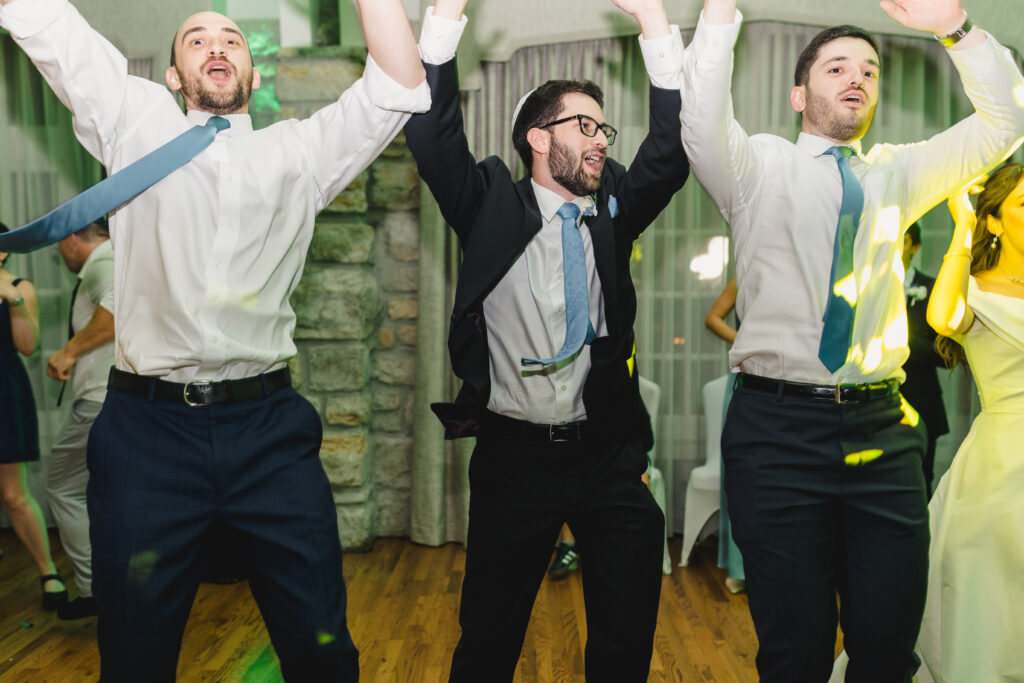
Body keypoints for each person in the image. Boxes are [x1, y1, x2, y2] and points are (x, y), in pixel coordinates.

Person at [0, 0, 428, 680]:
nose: (215, 45)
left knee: (324, 651)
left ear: (252, 76)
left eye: (231, 38)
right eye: (195, 39)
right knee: (135, 654)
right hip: (147, 435)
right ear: (174, 75)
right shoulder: (133, 120)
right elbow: (49, 24)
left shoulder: (299, 151)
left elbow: (399, 85)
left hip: (269, 434)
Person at [680, 0, 1024, 679]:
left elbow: (1006, 121)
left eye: (869, 69)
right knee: (795, 650)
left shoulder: (899, 172)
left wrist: (954, 27)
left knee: (887, 647)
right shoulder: (755, 169)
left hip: (885, 428)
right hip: (776, 430)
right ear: (799, 94)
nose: (857, 78)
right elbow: (698, 115)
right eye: (836, 67)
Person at [405, 0, 688, 679]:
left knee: (624, 641)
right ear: (538, 137)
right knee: (489, 640)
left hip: (607, 452)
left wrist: (653, 23)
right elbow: (432, 137)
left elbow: (673, 152)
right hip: (514, 460)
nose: (600, 140)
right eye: (583, 125)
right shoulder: (488, 202)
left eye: (603, 129)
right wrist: (443, 17)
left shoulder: (614, 204)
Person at [916, 164, 1024, 682]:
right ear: (996, 222)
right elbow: (941, 318)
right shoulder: (974, 293)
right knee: (996, 599)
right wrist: (962, 224)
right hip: (1004, 464)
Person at [44, 219, 114, 621]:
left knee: (64, 488)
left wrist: (67, 353)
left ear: (72, 238)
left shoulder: (104, 263)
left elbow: (114, 317)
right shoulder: (120, 258)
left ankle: (93, 591)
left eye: (58, 244)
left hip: (100, 399)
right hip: (119, 397)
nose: (59, 253)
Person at [0, 223, 68, 611]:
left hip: (4, 389)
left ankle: (48, 572)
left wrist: (12, 301)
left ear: (4, 251)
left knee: (13, 494)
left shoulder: (19, 287)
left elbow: (28, 347)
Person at [900, 222, 950, 497]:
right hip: (874, 406)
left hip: (923, 402)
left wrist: (903, 340)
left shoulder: (933, 289)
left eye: (903, 239)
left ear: (916, 246)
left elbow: (945, 355)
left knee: (921, 484)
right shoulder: (865, 290)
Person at [703, 276, 745, 594]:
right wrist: (744, 340)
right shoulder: (746, 270)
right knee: (741, 476)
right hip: (747, 380)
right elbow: (713, 318)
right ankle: (739, 566)